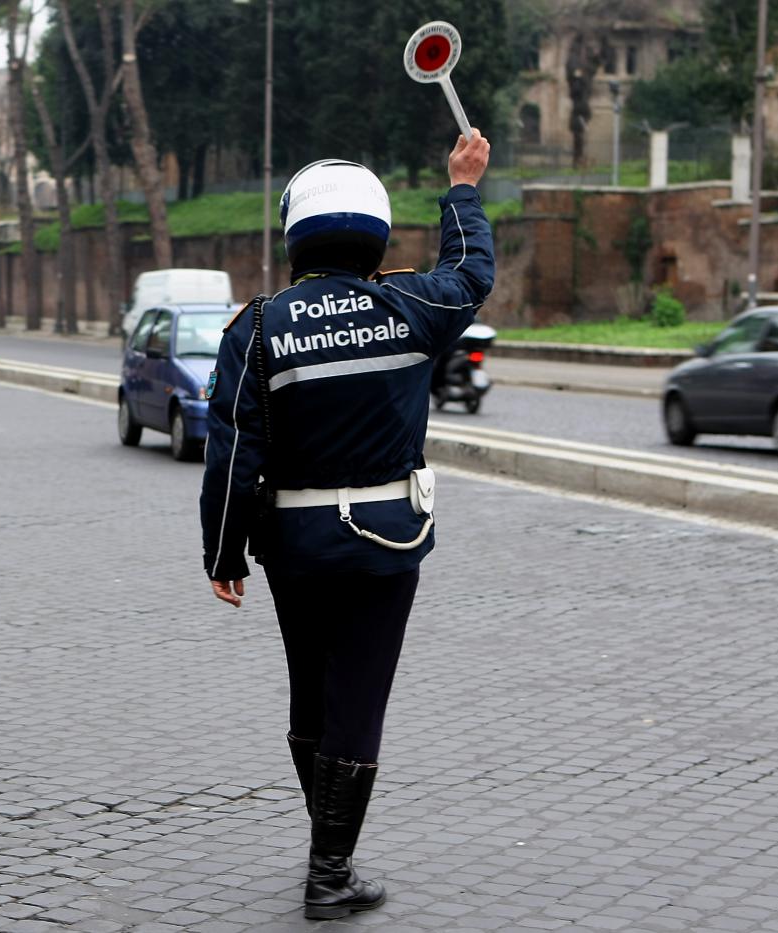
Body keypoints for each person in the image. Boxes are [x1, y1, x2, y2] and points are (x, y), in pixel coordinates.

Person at [199, 130, 493, 920]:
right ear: (377, 233)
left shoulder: (257, 327)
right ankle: (329, 873)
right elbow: (472, 271)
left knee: (313, 694)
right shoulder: (415, 304)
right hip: (387, 544)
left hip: (294, 546)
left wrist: (223, 552)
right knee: (357, 700)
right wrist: (462, 186)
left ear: (295, 236)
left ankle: (330, 848)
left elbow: (233, 451)